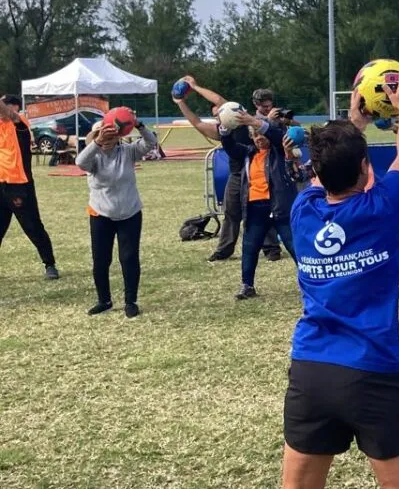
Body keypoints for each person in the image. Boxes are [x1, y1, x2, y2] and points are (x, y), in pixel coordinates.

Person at [283, 79, 399, 488]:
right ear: (366, 167)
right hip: (376, 371)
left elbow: (321, 175)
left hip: (311, 371)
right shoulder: (384, 204)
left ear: (318, 170)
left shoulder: (303, 210)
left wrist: (354, 123)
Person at [178, 76, 282, 263]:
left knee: (263, 210)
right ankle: (223, 250)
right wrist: (180, 103)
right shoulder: (222, 130)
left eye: (220, 111)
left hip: (260, 172)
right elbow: (197, 122)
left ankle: (271, 248)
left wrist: (195, 86)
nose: (218, 113)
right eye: (216, 114)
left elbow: (219, 100)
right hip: (237, 174)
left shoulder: (241, 117)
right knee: (231, 212)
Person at [77, 118, 158, 317]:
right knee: (101, 260)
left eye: (110, 135)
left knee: (129, 258)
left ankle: (131, 301)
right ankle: (104, 300)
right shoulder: (93, 156)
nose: (106, 138)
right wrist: (97, 142)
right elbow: (80, 162)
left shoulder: (128, 151)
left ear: (118, 136)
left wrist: (138, 125)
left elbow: (150, 143)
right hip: (100, 214)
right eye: (100, 135)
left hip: (130, 213)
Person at [221, 113, 298, 300]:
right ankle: (247, 285)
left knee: (294, 246)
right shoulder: (248, 153)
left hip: (278, 206)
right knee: (250, 247)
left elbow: (277, 136)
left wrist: (256, 123)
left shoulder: (279, 150)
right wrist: (225, 130)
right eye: (255, 136)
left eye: (261, 135)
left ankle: (311, 281)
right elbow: (230, 147)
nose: (259, 139)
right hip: (255, 208)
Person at [0, 94, 58, 279]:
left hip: (19, 186)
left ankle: (50, 264)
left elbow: (8, 114)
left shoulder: (20, 123)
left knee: (33, 227)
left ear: (14, 107)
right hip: (1, 184)